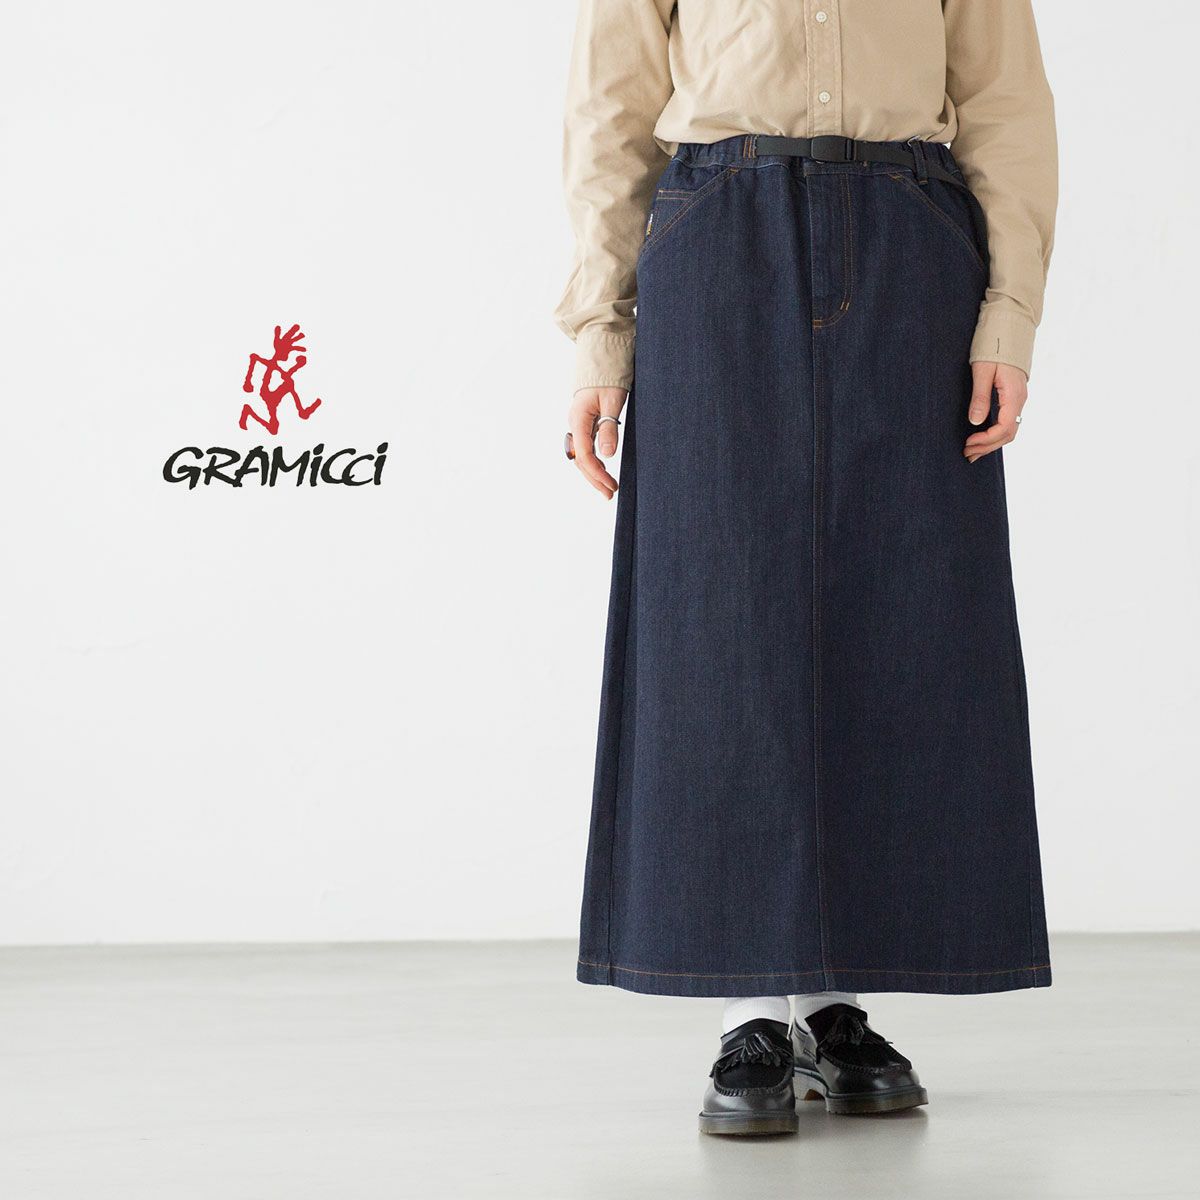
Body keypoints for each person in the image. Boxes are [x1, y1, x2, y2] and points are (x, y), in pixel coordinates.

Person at [555, 0, 1056, 1136]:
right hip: (716, 230)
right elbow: (610, 113)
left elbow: (1007, 106)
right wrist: (601, 334)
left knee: (907, 612)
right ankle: (751, 1010)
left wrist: (1008, 317)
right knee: (720, 620)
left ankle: (834, 1005)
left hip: (913, 233)